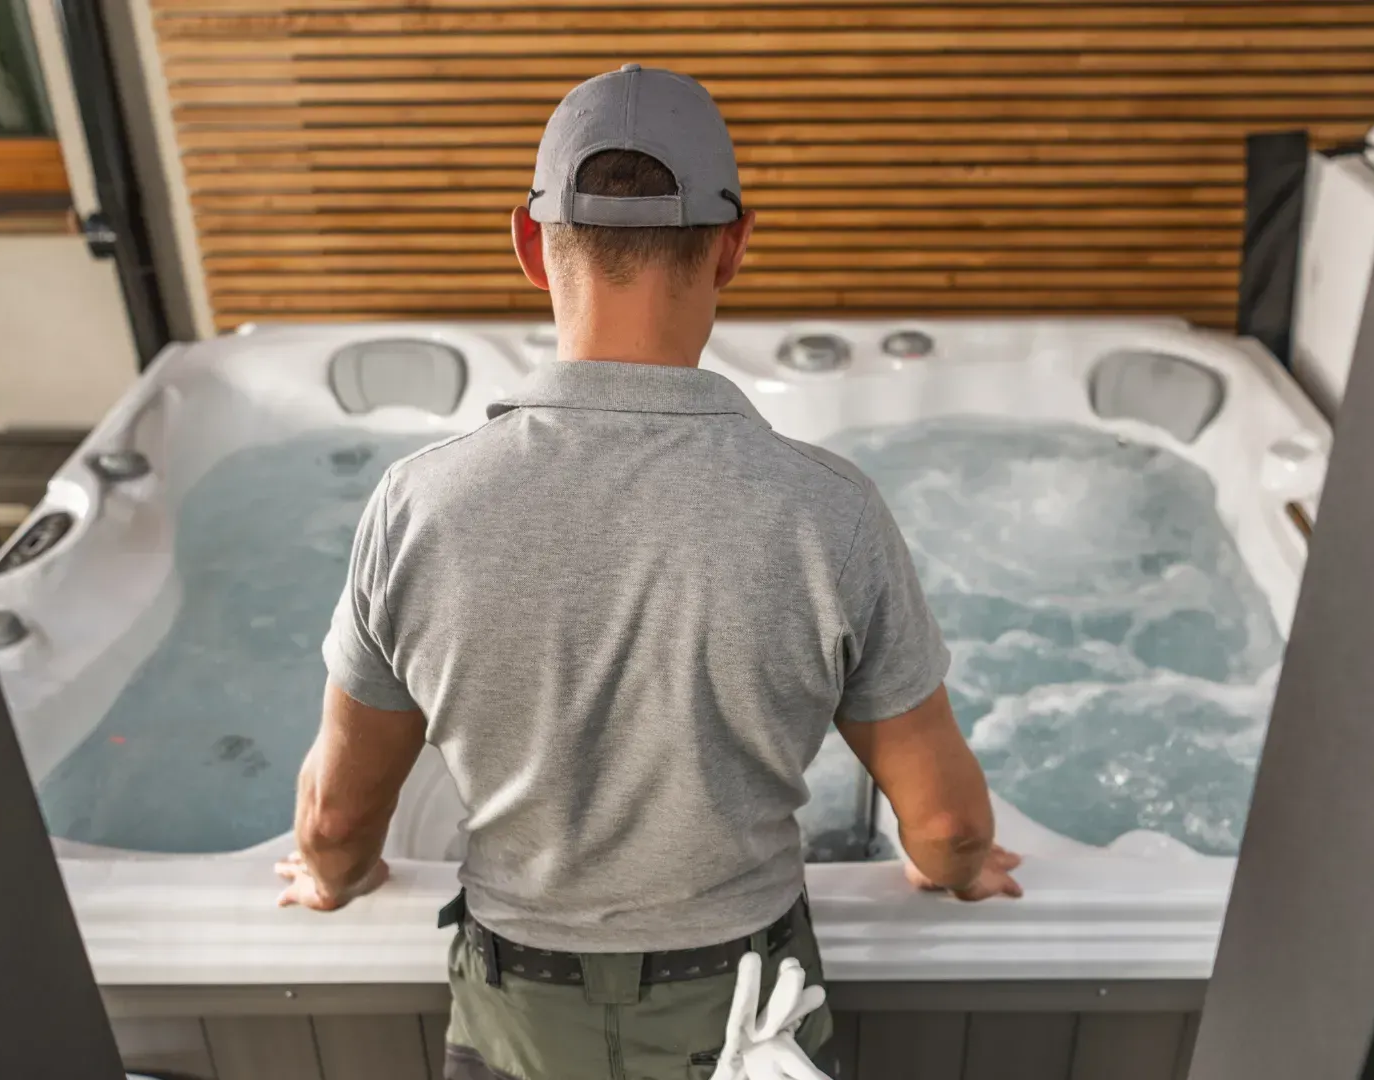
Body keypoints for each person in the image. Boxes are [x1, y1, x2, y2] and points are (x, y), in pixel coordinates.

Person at [274, 65, 1022, 1079]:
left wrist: (329, 878)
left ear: (532, 246)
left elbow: (337, 820)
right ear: (732, 247)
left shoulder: (419, 506)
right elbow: (943, 823)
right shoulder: (828, 509)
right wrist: (963, 872)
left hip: (516, 1024)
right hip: (744, 1023)